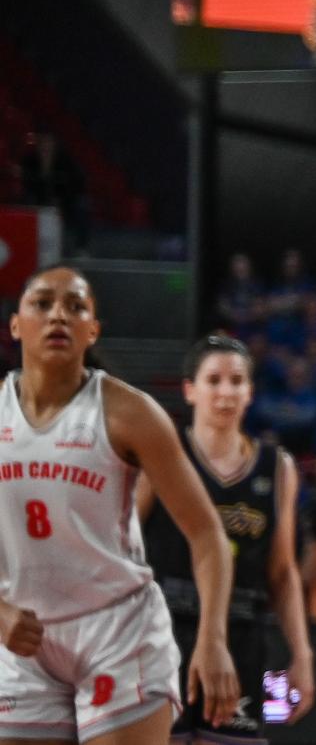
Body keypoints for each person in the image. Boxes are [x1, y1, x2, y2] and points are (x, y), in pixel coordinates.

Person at [0, 267, 240, 743]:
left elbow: (207, 533)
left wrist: (213, 638)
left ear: (93, 331)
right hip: (22, 634)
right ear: (15, 324)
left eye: (76, 307)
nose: (58, 317)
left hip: (118, 632)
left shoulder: (130, 413)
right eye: (43, 304)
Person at [137, 335, 313, 742]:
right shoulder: (164, 456)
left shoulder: (279, 467)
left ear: (250, 392)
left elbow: (283, 574)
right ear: (190, 390)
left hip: (246, 640)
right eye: (213, 380)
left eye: (236, 381)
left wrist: (302, 655)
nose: (225, 391)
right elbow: (124, 548)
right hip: (164, 633)